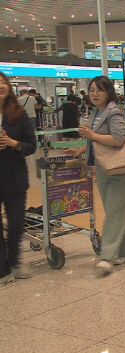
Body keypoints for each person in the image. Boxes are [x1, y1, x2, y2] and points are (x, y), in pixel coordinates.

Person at [62, 76, 125, 273]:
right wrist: (81, 150)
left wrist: (92, 135)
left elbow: (119, 139)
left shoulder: (114, 113)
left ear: (108, 92)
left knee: (113, 214)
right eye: (92, 90)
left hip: (120, 169)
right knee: (115, 211)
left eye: (99, 90)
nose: (94, 94)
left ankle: (107, 256)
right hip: (103, 168)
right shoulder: (95, 112)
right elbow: (97, 141)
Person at [0, 71, 38, 285]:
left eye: (2, 81)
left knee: (16, 223)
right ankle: (2, 268)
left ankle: (14, 260)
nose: (0, 85)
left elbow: (32, 145)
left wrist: (13, 143)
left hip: (14, 177)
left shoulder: (18, 114)